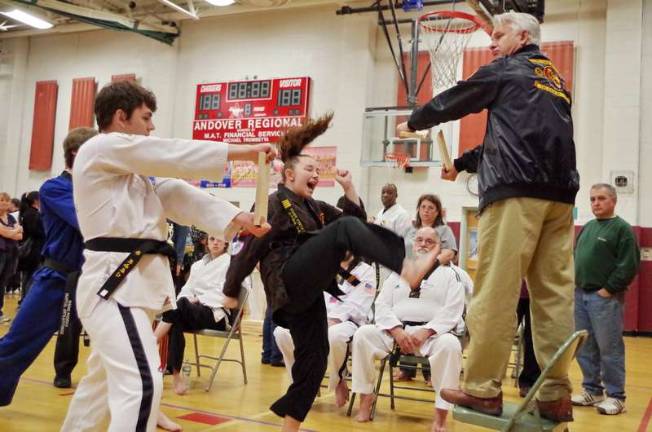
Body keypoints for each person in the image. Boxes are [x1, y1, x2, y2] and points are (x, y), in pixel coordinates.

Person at [60, 80, 274, 432]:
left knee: (99, 387)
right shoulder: (100, 148)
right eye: (145, 117)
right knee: (144, 385)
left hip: (126, 289)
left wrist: (237, 219)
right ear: (120, 117)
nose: (151, 126)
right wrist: (242, 151)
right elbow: (170, 153)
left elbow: (172, 192)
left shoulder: (132, 174)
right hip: (114, 289)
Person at [398, 11, 580, 422]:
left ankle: (482, 388)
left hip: (515, 195)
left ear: (521, 36)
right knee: (553, 297)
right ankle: (555, 393)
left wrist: (415, 119)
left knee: (495, 292)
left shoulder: (507, 68)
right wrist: (462, 163)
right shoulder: (554, 79)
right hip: (560, 196)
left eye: (498, 36)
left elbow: (460, 96)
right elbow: (519, 140)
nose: (493, 43)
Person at [223, 113, 439, 432]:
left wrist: (349, 186)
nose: (315, 174)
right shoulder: (272, 203)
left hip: (308, 293)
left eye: (317, 170)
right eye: (309, 169)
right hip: (287, 279)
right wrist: (229, 291)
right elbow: (249, 248)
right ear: (289, 173)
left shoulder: (314, 207)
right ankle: (407, 269)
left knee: (315, 361)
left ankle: (289, 428)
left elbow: (355, 218)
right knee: (345, 229)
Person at [0, 128, 94, 407]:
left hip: (96, 281)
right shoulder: (55, 187)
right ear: (78, 153)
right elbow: (88, 223)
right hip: (57, 278)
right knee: (19, 343)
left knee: (122, 349)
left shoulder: (96, 188)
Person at [351, 227, 465, 432]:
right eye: (419, 240)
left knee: (451, 345)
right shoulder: (399, 272)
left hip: (431, 336)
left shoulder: (450, 274)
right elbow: (382, 304)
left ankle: (440, 415)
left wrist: (427, 331)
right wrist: (396, 330)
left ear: (439, 247)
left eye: (429, 241)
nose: (423, 244)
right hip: (396, 332)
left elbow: (453, 310)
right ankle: (366, 397)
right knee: (362, 336)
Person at [273, 252, 376, 407]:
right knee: (281, 332)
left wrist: (332, 320)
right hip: (317, 317)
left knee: (333, 335)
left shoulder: (365, 271)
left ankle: (338, 380)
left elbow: (358, 304)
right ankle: (301, 385)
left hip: (348, 322)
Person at [571, 183, 640, 415]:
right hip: (580, 296)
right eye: (592, 199)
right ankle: (592, 390)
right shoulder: (589, 227)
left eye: (601, 198)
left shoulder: (622, 230)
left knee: (609, 348)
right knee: (584, 347)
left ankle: (616, 396)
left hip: (604, 298)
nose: (596, 203)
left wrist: (608, 289)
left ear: (613, 201)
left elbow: (629, 265)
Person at [154, 235, 247, 395]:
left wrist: (198, 299)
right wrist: (186, 299)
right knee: (178, 314)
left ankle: (151, 341)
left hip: (216, 314)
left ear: (226, 243)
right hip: (192, 311)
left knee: (179, 307)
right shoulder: (198, 265)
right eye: (212, 239)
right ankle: (177, 375)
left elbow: (228, 293)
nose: (215, 242)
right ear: (206, 242)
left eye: (219, 240)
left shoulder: (232, 263)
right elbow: (187, 289)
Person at [17, 191, 45, 301]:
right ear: (35, 200)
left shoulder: (29, 213)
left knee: (28, 277)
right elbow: (35, 231)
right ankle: (27, 300)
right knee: (31, 277)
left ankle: (25, 300)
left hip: (33, 250)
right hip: (33, 250)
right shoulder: (32, 214)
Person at [0, 193, 22, 320]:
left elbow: (20, 236)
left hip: (11, 253)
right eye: (1, 200)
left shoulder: (11, 218)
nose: (4, 203)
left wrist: (10, 232)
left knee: (3, 282)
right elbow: (5, 233)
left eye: (7, 201)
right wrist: (14, 230)